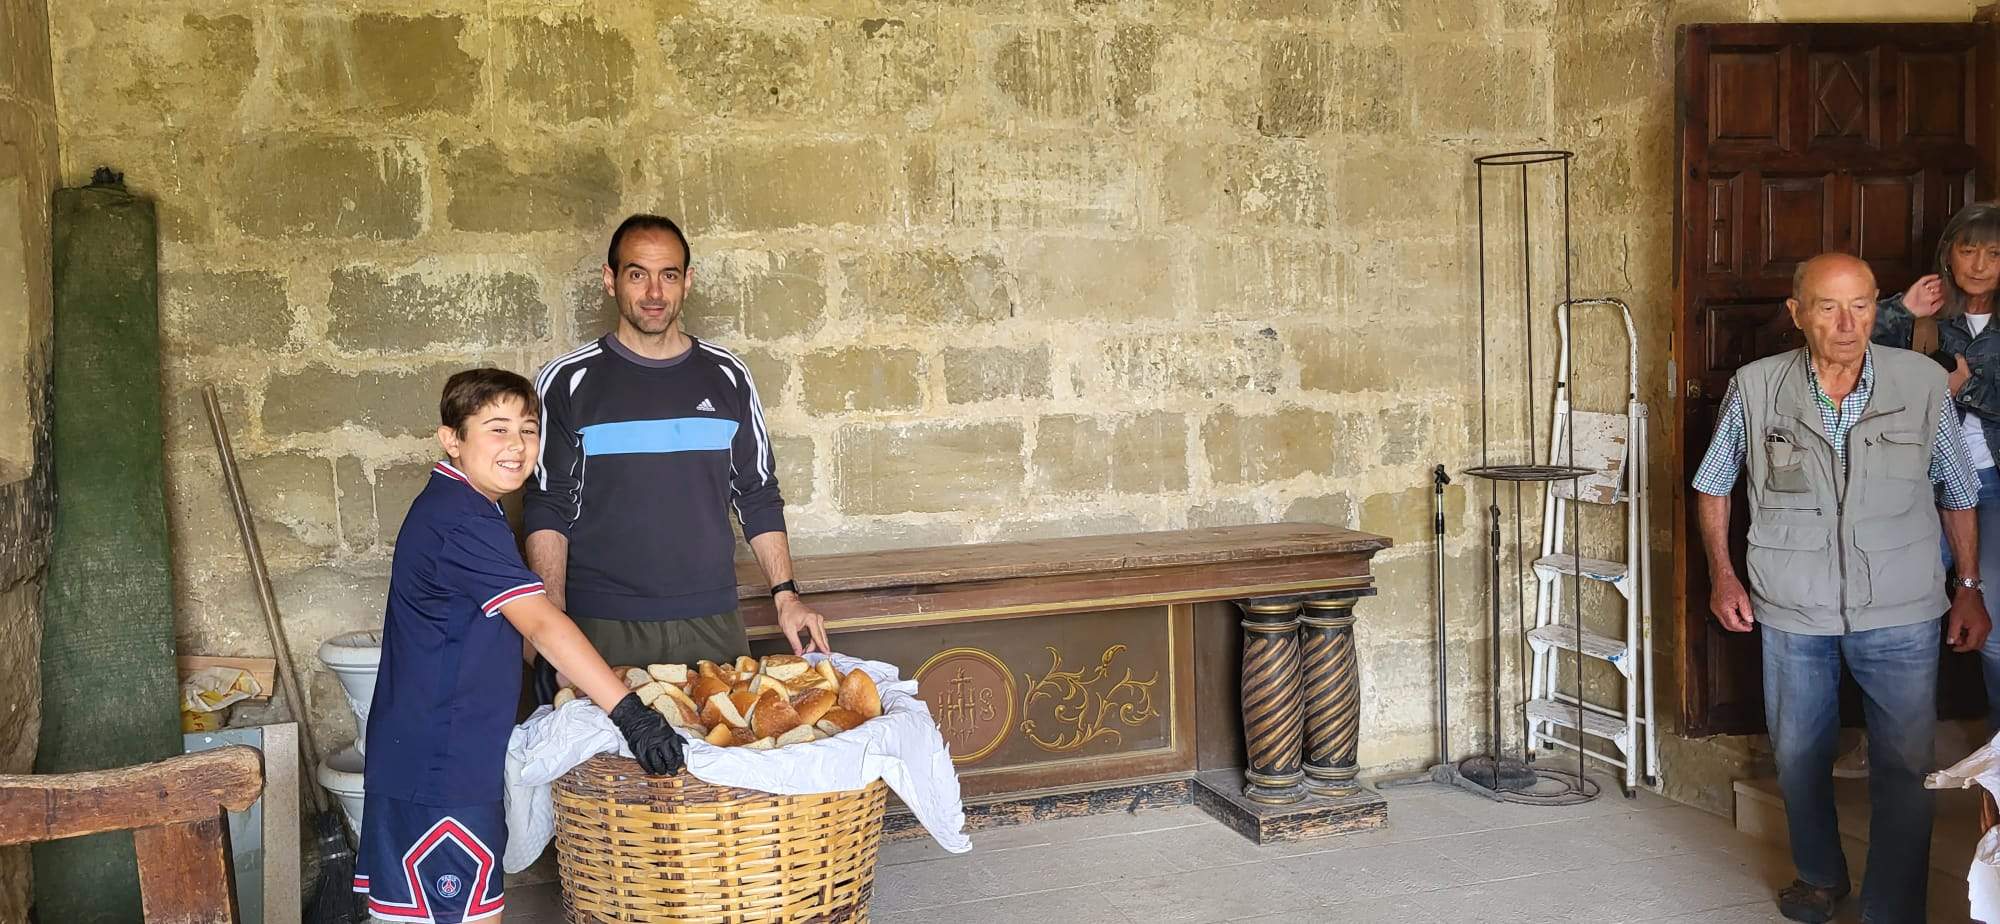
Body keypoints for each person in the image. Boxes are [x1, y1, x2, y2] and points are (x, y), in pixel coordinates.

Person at [1692, 252, 1990, 923]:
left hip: (1902, 605)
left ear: (1877, 305)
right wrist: (1723, 575)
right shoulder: (1757, 386)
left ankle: (1892, 910)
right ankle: (1821, 878)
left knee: (1906, 767)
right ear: (1797, 313)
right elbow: (1713, 484)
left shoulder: (1921, 383)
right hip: (1792, 603)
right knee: (1799, 756)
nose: (1848, 323)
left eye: (1860, 305)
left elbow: (1959, 489)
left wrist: (1968, 585)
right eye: (1828, 307)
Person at [355, 368, 683, 924]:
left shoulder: (467, 504)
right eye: (497, 429)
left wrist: (545, 672)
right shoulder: (461, 520)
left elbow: (494, 620)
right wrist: (630, 714)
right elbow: (541, 623)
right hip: (442, 768)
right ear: (451, 439)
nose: (517, 445)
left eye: (528, 430)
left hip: (433, 754)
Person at [524, 214, 827, 699]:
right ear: (610, 280)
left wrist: (786, 596)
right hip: (602, 623)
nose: (654, 292)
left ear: (688, 281)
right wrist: (551, 621)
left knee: (722, 746)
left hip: (713, 620)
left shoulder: (728, 376)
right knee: (607, 751)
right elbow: (548, 504)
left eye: (668, 275)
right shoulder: (567, 380)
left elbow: (756, 494)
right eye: (637, 274)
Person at [1875, 201, 2000, 733]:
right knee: (1898, 617)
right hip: (1920, 482)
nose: (1980, 265)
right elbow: (1846, 349)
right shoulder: (1924, 312)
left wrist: (1961, 388)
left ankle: (1996, 751)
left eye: (1994, 253)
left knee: (1995, 623)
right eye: (1968, 250)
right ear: (1948, 254)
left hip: (1991, 483)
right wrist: (1902, 309)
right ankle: (1889, 741)